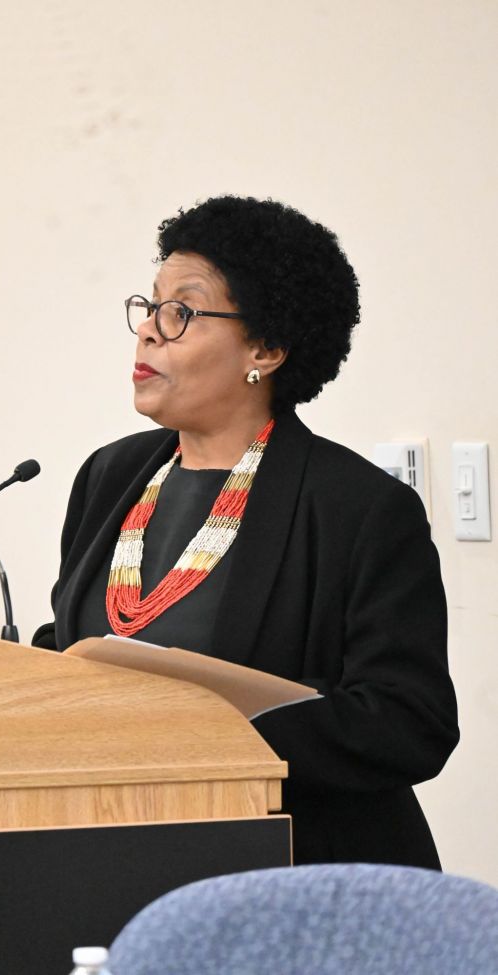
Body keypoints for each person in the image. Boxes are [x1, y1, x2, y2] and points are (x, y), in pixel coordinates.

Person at [33, 195, 459, 868]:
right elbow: (71, 642)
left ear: (265, 347)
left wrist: (219, 725)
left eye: (182, 312)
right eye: (149, 307)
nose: (148, 332)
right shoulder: (108, 477)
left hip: (296, 874)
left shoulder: (359, 507)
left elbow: (411, 723)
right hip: (117, 855)